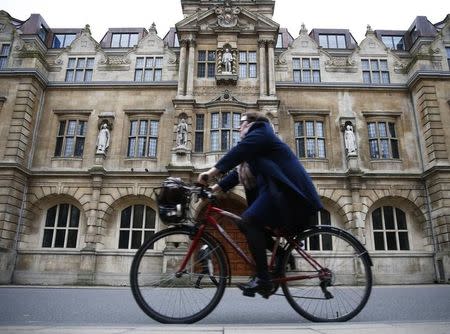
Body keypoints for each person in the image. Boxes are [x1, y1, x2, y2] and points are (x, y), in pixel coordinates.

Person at [198, 112, 323, 298]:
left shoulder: (262, 131)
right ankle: (281, 255)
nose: (238, 127)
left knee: (248, 221)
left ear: (252, 123)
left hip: (290, 196)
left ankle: (263, 279)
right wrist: (213, 190)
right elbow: (236, 174)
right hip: (277, 195)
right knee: (245, 221)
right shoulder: (255, 150)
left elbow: (238, 152)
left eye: (240, 123)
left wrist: (211, 172)